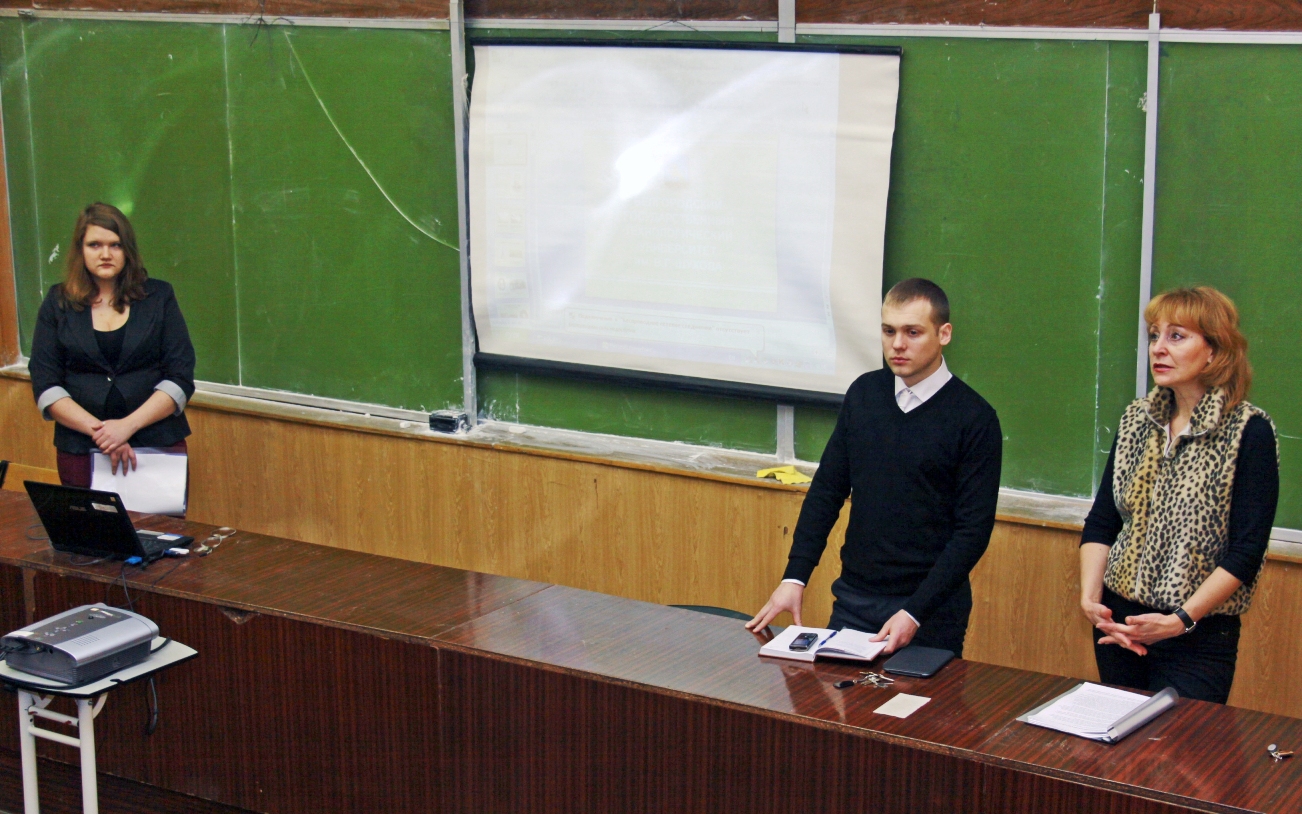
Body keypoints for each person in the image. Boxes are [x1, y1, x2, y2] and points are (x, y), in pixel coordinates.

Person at [746, 278, 1002, 657]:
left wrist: (914, 613)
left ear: (944, 334)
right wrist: (795, 577)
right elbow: (827, 491)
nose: (897, 344)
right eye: (889, 331)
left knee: (915, 698)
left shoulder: (974, 418)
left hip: (930, 611)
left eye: (913, 332)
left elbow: (972, 532)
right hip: (854, 599)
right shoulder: (864, 395)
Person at [1079, 287, 1277, 704]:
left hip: (1197, 635)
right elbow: (1103, 520)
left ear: (1214, 351)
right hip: (1120, 626)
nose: (1158, 348)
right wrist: (1091, 599)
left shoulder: (1248, 430)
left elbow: (1247, 550)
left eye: (1176, 336)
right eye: (1154, 335)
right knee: (1118, 739)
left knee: (1181, 743)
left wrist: (1180, 620)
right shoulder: (1136, 419)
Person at [29, 203, 196, 488]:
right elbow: (45, 384)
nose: (105, 254)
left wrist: (126, 426)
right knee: (87, 520)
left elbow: (180, 377)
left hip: (156, 449)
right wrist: (104, 433)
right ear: (80, 250)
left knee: (155, 521)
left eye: (115, 245)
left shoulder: (159, 297)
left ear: (127, 250)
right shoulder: (58, 303)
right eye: (94, 245)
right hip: (81, 451)